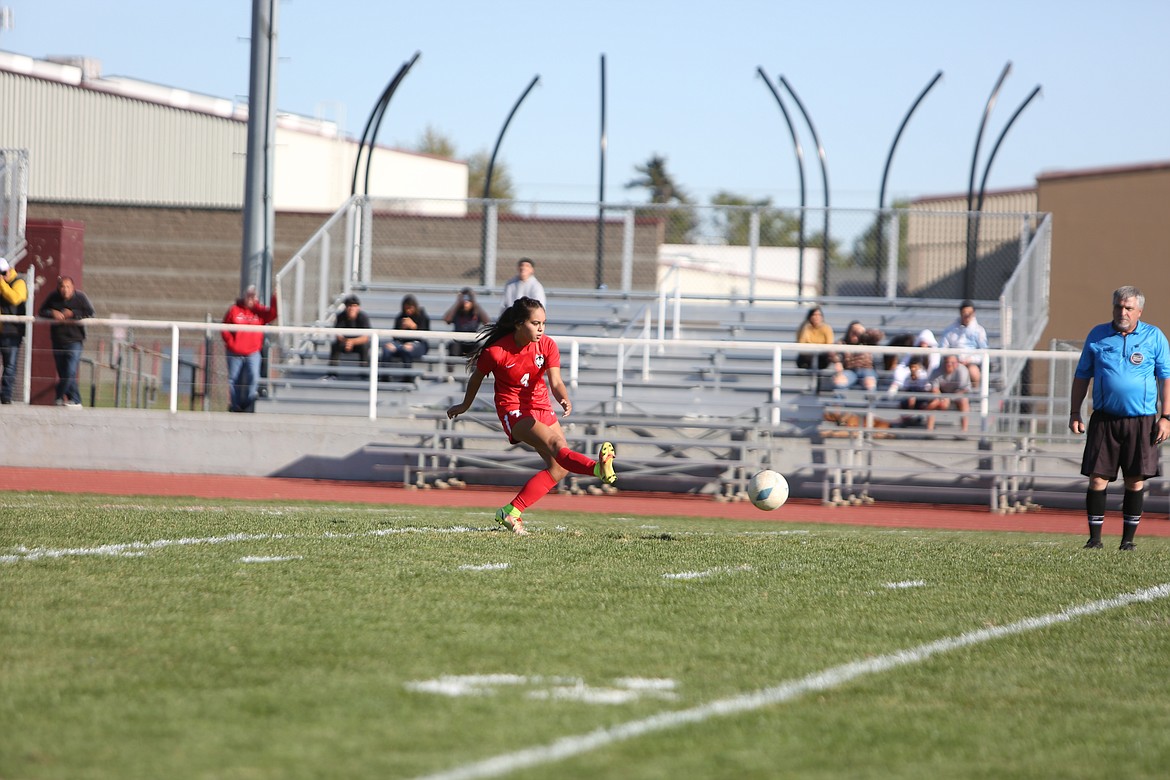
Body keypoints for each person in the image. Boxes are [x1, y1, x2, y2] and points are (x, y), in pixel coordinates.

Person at [445, 296, 616, 535]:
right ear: (518, 324)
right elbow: (475, 379)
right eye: (535, 323)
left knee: (558, 468)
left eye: (543, 323)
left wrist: (563, 398)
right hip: (513, 409)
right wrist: (464, 405)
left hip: (542, 407)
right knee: (557, 445)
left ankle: (511, 511)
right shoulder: (496, 352)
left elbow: (556, 381)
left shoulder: (547, 345)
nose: (541, 328)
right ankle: (598, 469)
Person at [1069, 285, 1170, 551]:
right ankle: (1094, 539)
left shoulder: (1154, 337)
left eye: (1128, 308)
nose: (1122, 312)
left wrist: (1166, 417)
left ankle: (1128, 541)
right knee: (1097, 479)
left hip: (1142, 420)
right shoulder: (1098, 335)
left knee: (1135, 480)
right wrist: (1074, 412)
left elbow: (1165, 378)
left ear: (1139, 311)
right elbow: (1082, 376)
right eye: (1118, 306)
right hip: (1105, 418)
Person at [38, 275, 95, 408]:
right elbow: (41, 311)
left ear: (73, 288)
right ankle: (74, 399)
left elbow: (90, 313)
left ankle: (59, 396)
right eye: (62, 287)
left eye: (68, 287)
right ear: (58, 288)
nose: (65, 290)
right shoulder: (53, 297)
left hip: (75, 340)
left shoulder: (80, 298)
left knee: (70, 370)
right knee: (64, 372)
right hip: (58, 340)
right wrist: (53, 313)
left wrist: (73, 313)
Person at [222, 284, 278, 413]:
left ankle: (249, 403)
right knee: (233, 379)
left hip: (253, 351)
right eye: (248, 296)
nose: (250, 300)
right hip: (235, 352)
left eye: (253, 297)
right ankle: (235, 405)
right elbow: (224, 328)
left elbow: (273, 314)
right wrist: (231, 342)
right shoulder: (234, 310)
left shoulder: (260, 312)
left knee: (254, 376)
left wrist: (274, 298)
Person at [939, 299, 989, 388]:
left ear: (973, 313)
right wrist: (952, 358)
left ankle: (973, 397)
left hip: (970, 362)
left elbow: (984, 352)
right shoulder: (950, 330)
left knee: (974, 372)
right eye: (964, 313)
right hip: (952, 361)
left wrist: (970, 360)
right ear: (961, 313)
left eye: (969, 313)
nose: (967, 316)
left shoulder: (979, 331)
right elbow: (943, 347)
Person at [0, 257, 28, 405]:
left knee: (10, 366)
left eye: (3, 272)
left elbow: (16, 298)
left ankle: (6, 396)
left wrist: (2, 284)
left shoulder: (19, 282)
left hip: (12, 332)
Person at [381, 294, 431, 373]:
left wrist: (414, 327)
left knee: (406, 350)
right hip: (401, 343)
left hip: (419, 344)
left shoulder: (422, 316)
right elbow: (395, 336)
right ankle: (384, 377)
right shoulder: (400, 317)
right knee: (387, 349)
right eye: (406, 308)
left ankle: (407, 377)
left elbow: (425, 334)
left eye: (410, 308)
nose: (408, 311)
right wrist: (401, 329)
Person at [924, 353, 972, 431]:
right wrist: (941, 398)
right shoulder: (936, 371)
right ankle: (929, 429)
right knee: (933, 401)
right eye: (947, 362)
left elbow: (964, 389)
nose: (949, 364)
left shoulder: (962, 370)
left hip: (958, 395)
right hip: (941, 394)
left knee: (964, 400)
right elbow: (935, 388)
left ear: (957, 363)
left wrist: (949, 398)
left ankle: (964, 430)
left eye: (952, 363)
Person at [830, 321, 882, 391]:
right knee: (839, 382)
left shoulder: (866, 341)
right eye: (853, 332)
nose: (855, 335)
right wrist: (837, 362)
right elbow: (833, 352)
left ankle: (870, 401)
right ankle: (838, 401)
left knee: (870, 384)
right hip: (850, 370)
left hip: (867, 369)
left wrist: (863, 331)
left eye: (857, 333)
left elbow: (878, 336)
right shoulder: (842, 343)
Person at [327, 294, 371, 377]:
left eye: (354, 306)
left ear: (358, 307)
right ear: (346, 307)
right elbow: (338, 334)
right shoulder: (340, 316)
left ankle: (364, 375)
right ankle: (332, 375)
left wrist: (351, 342)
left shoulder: (363, 317)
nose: (352, 308)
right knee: (335, 345)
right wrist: (346, 342)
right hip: (344, 342)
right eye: (349, 306)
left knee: (365, 346)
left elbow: (365, 337)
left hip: (358, 343)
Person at [887, 329, 941, 396]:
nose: (923, 346)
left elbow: (933, 368)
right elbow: (903, 364)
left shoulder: (934, 353)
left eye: (925, 343)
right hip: (913, 375)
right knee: (901, 371)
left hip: (926, 377)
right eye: (921, 343)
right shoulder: (914, 351)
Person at [443, 287, 491, 358]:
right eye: (464, 299)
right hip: (458, 342)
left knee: (479, 349)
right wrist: (458, 302)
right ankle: (450, 369)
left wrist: (474, 302)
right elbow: (447, 320)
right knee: (453, 347)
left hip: (472, 342)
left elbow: (486, 321)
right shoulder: (457, 311)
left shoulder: (476, 311)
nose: (466, 302)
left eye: (469, 300)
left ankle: (474, 369)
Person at [795, 305, 834, 371]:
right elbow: (801, 343)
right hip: (808, 355)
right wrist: (806, 329)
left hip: (822, 355)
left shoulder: (826, 328)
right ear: (810, 317)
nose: (817, 317)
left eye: (819, 315)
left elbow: (829, 344)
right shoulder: (804, 328)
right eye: (814, 315)